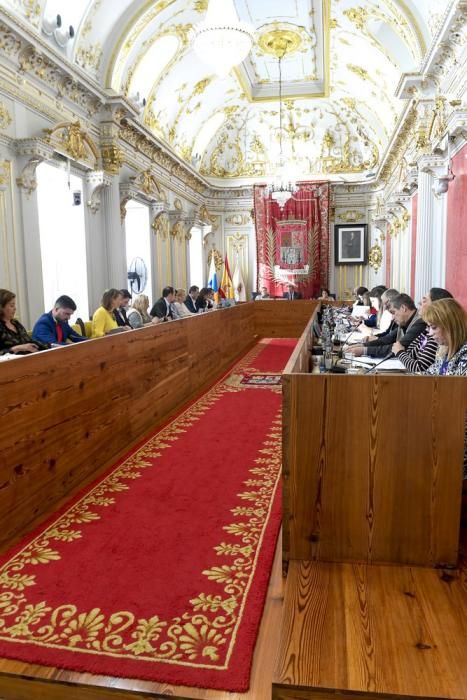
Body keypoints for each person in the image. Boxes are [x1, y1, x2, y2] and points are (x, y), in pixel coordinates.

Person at [392, 288, 453, 372]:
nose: (419, 303)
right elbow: (409, 352)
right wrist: (402, 353)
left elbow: (419, 368)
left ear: (438, 306)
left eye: (424, 301)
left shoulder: (438, 336)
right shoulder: (427, 330)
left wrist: (400, 352)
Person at [422, 298, 467, 376]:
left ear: (450, 326)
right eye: (429, 327)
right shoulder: (443, 348)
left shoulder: (464, 353)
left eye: (434, 327)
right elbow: (427, 375)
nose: (430, 333)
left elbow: (458, 387)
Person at [0, 289, 48, 355]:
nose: (15, 308)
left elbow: (30, 341)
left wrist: (51, 347)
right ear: (1, 307)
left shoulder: (16, 323)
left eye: (14, 305)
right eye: (11, 305)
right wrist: (17, 348)